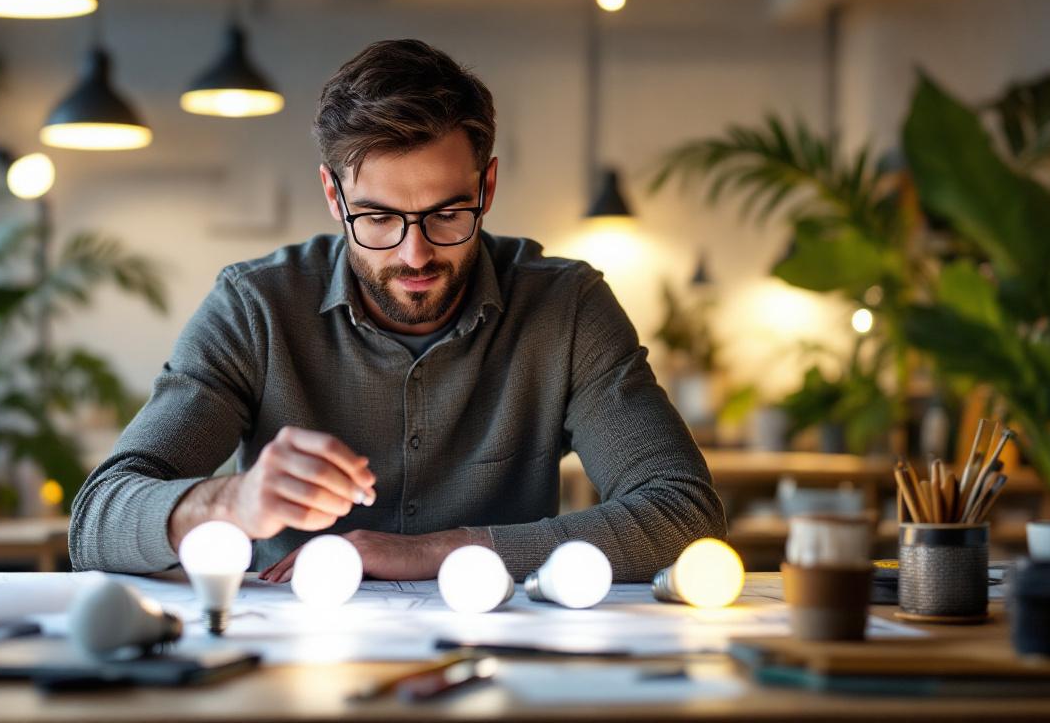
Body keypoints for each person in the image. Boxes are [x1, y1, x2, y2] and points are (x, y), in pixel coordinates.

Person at [69, 38, 725, 583]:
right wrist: (230, 501)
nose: (415, 254)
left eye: (447, 213)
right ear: (334, 194)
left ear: (487, 186)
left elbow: (685, 514)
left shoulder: (567, 309)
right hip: (290, 659)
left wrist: (430, 553)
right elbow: (96, 521)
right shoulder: (256, 308)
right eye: (379, 217)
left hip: (502, 654)